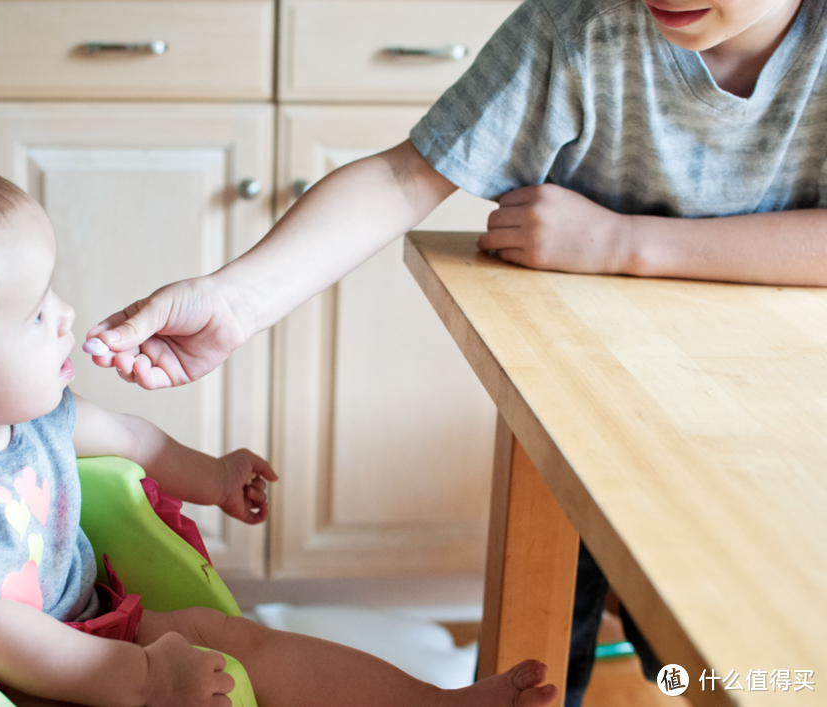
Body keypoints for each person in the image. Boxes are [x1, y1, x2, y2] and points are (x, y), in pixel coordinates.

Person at [81, 0, 827, 704]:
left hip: (772, 428)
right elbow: (409, 173)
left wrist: (623, 242)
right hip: (584, 406)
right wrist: (237, 300)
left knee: (720, 660)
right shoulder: (580, 26)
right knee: (542, 651)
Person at [0, 147, 557, 707]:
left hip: (83, 626)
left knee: (241, 641)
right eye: (33, 316)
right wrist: (146, 678)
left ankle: (433, 703)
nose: (65, 317)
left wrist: (214, 475)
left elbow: (134, 438)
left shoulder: (18, 409)